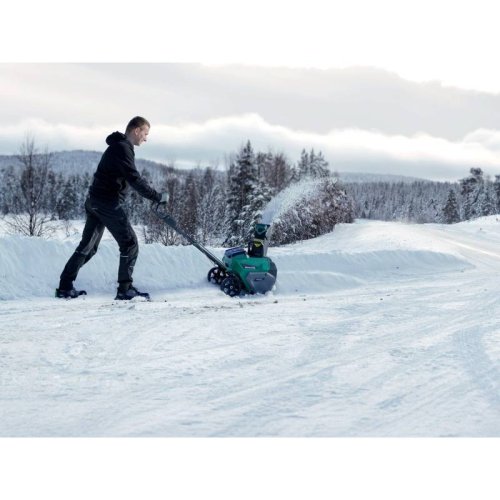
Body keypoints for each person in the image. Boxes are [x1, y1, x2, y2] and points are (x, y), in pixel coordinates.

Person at [55, 116, 168, 300]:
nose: (146, 138)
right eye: (145, 134)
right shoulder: (122, 148)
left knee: (88, 246)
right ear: (136, 130)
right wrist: (156, 196)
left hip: (95, 201)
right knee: (129, 243)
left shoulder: (118, 147)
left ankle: (65, 286)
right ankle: (125, 289)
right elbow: (134, 179)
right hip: (106, 202)